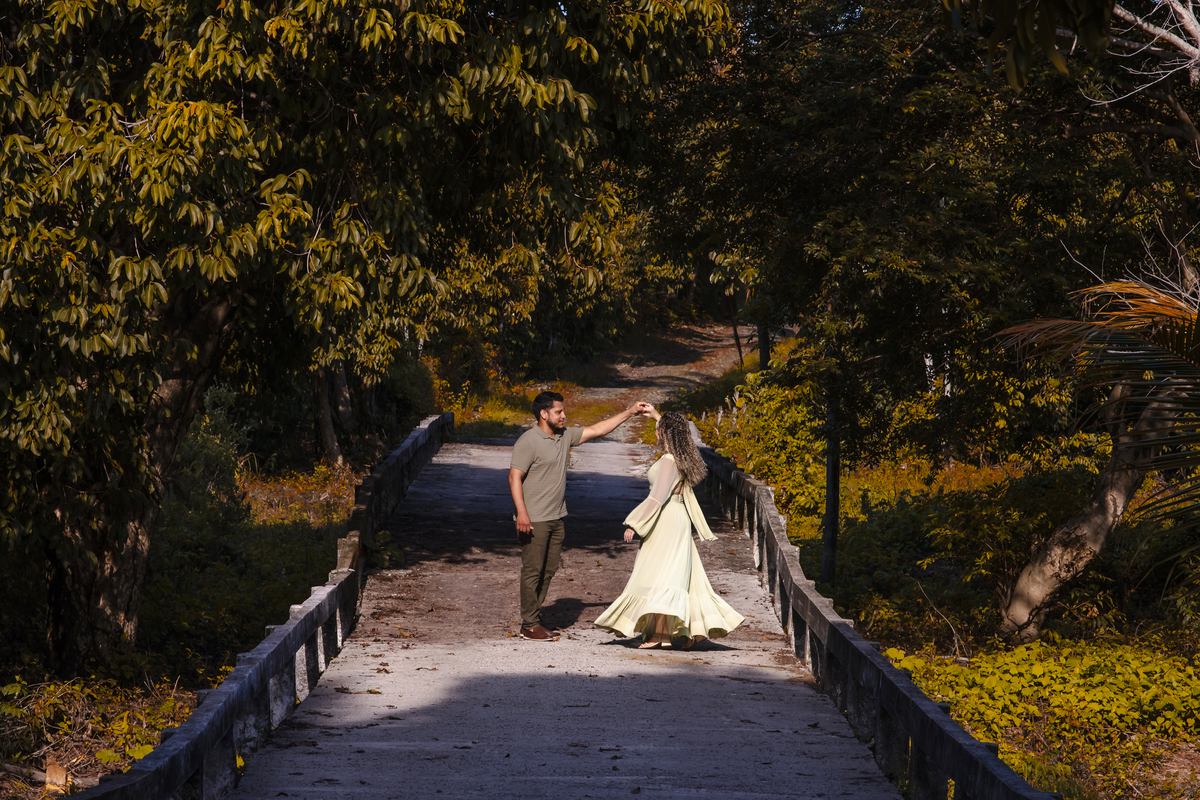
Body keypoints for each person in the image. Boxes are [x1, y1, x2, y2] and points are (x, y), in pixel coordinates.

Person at [594, 409, 744, 648]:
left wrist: (634, 522)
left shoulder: (668, 461)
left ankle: (659, 633)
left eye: (658, 428)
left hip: (665, 519)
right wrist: (656, 415)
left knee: (657, 573)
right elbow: (678, 428)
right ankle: (682, 631)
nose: (655, 432)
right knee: (677, 574)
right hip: (678, 517)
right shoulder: (683, 457)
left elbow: (657, 497)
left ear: (663, 432)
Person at [509, 391, 652, 641]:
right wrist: (522, 513)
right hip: (534, 518)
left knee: (549, 569)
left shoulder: (564, 436)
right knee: (533, 570)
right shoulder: (528, 441)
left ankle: (534, 618)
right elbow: (514, 477)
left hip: (556, 517)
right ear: (544, 414)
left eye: (563, 411)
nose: (564, 416)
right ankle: (529, 624)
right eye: (558, 412)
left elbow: (598, 429)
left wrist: (630, 412)